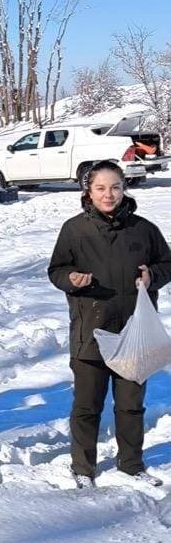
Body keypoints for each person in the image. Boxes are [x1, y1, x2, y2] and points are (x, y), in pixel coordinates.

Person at [48, 160, 171, 488]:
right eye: (101, 187)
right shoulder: (74, 230)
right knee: (87, 404)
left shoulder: (143, 229)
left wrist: (152, 276)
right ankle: (83, 467)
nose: (109, 194)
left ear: (123, 188)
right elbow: (56, 270)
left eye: (115, 187)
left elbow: (167, 263)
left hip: (134, 331)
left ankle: (131, 464)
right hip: (91, 331)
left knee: (131, 405)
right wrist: (71, 279)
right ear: (88, 190)